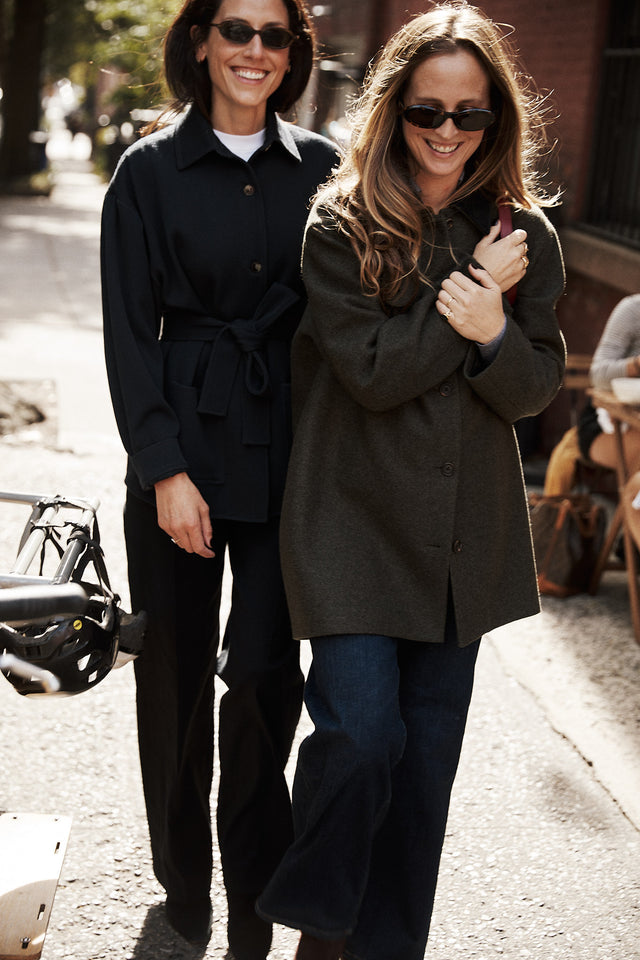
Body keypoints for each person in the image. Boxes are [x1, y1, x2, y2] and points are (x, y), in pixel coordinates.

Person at [256, 4, 566, 959]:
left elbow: (537, 387)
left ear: (496, 122)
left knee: (425, 768)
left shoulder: (530, 239)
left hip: (458, 546)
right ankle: (320, 921)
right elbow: (377, 373)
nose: (446, 133)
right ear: (393, 109)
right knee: (359, 739)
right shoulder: (339, 222)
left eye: (469, 115)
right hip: (347, 523)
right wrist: (467, 304)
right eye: (427, 110)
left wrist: (497, 334)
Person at [100, 1, 338, 956]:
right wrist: (163, 471)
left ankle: (251, 899)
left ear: (294, 55)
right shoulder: (147, 172)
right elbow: (126, 333)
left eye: (274, 37)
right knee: (173, 679)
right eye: (236, 30)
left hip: (291, 452)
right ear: (200, 39)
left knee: (265, 682)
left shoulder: (326, 167)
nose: (254, 51)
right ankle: (184, 890)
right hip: (182, 450)